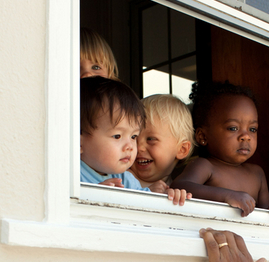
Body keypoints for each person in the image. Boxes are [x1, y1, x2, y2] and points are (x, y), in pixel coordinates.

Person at [171, 82, 269, 224]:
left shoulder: (257, 174)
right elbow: (179, 186)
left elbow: (267, 212)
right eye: (233, 128)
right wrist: (227, 195)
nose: (246, 136)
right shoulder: (205, 166)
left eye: (252, 129)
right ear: (203, 136)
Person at [80, 77, 189, 205]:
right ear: (78, 142)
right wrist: (93, 196)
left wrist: (166, 198)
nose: (131, 146)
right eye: (117, 136)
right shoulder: (69, 175)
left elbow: (145, 209)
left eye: (133, 137)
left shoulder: (126, 180)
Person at [130, 94, 195, 197]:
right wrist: (146, 193)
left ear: (181, 149)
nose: (139, 147)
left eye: (151, 139)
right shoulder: (118, 177)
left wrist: (176, 199)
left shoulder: (176, 188)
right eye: (134, 137)